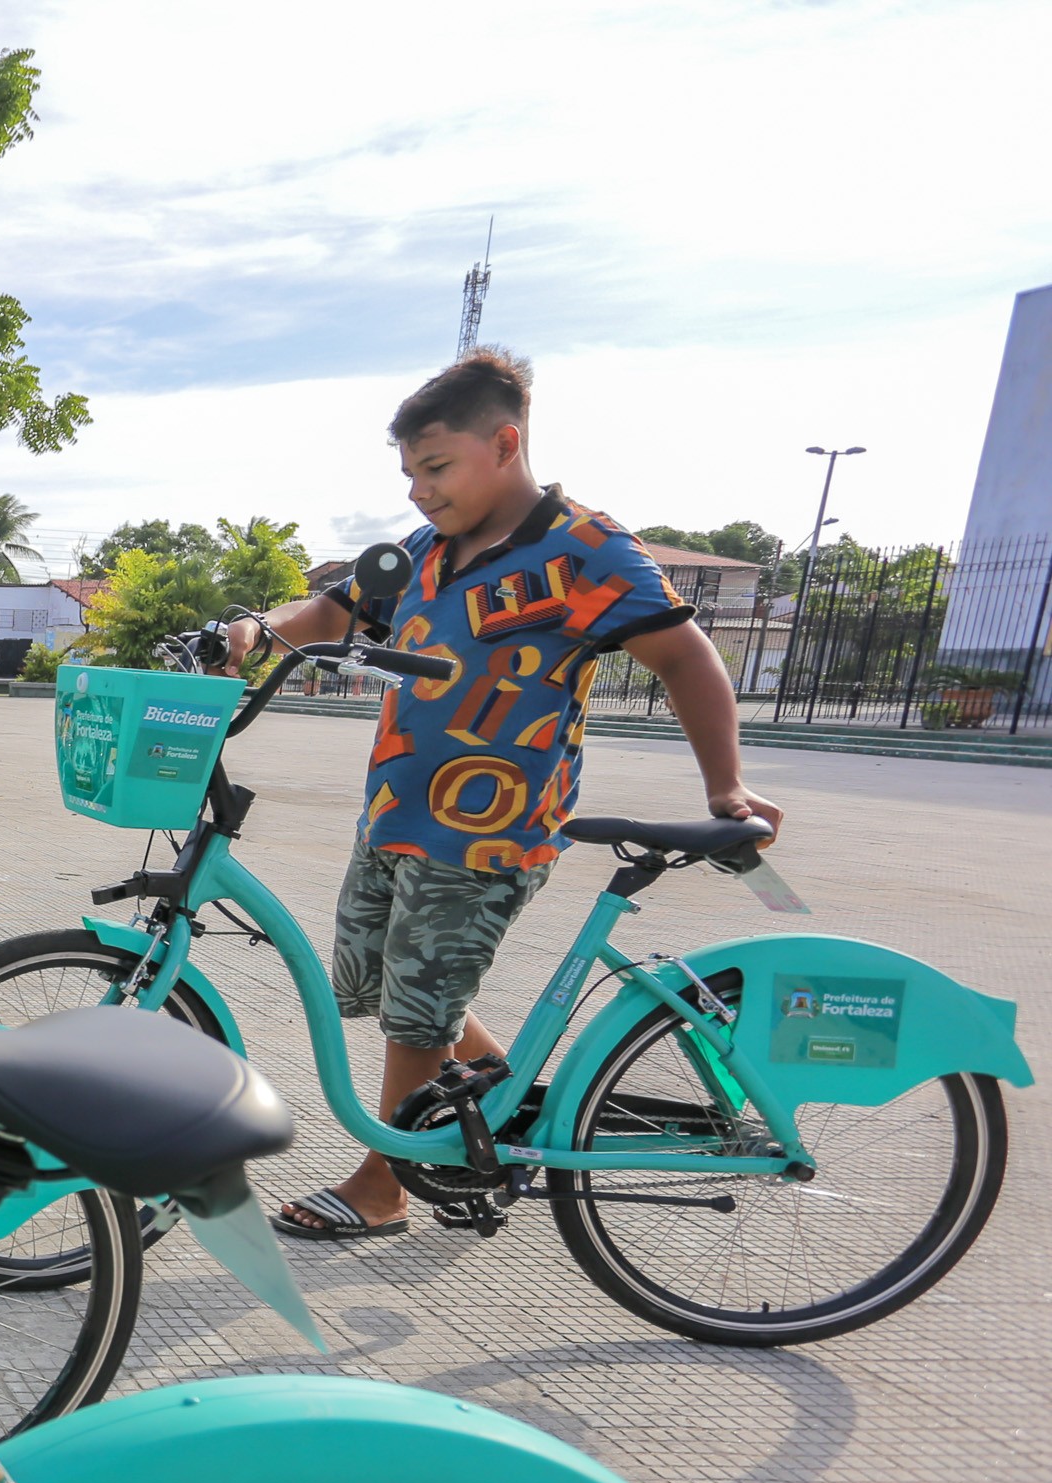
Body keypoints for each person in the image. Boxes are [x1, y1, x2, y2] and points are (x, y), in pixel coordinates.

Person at [220, 347, 786, 1241]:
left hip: (488, 830)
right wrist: (254, 629)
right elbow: (332, 613)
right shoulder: (424, 551)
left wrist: (728, 786)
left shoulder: (583, 549)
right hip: (395, 814)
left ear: (506, 443)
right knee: (380, 988)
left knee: (415, 1013)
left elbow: (684, 655)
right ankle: (505, 1104)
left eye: (436, 467)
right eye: (408, 472)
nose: (419, 490)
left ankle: (384, 1185)